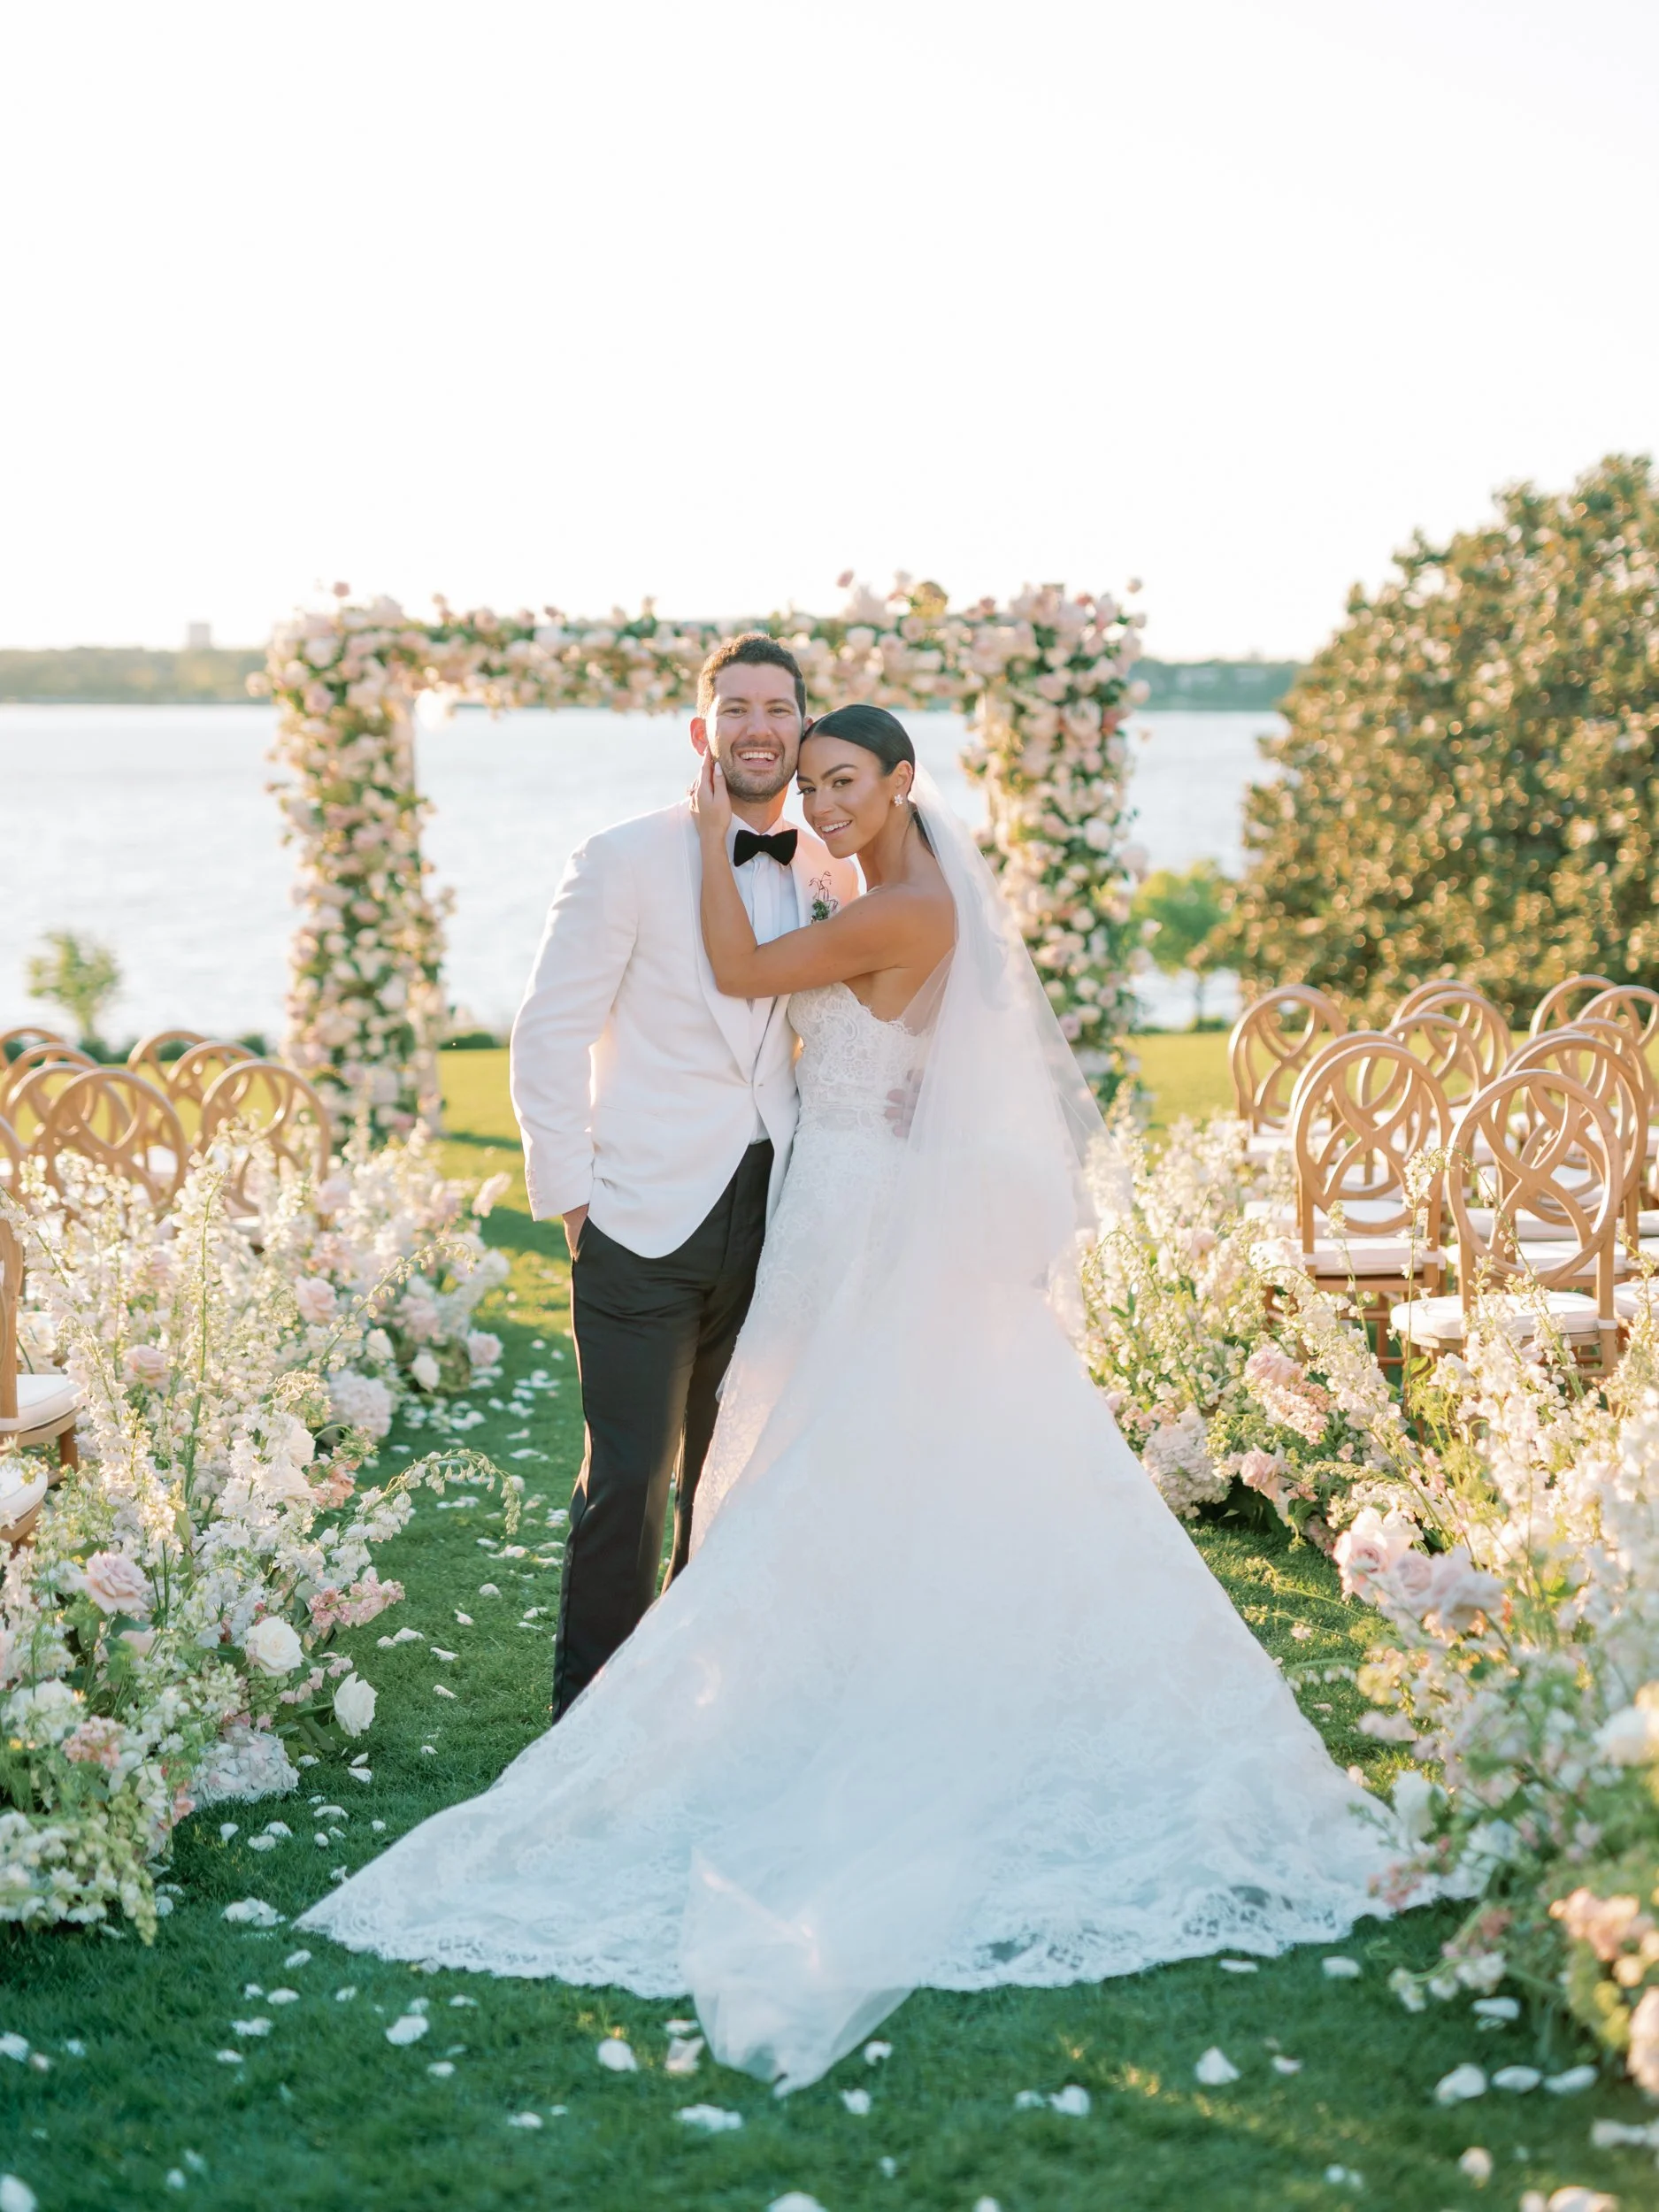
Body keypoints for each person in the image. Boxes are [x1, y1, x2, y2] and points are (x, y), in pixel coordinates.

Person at [301, 708, 1399, 2093]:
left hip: (854, 1216)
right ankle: (787, 1672)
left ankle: (809, 1690)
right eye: (805, 783)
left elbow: (740, 964)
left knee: (822, 1447)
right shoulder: (890, 888)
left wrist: (711, 835)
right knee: (825, 1452)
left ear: (900, 782)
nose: (816, 802)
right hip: (827, 1190)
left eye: (840, 781)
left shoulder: (904, 903)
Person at [506, 634, 857, 1717]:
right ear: (703, 731)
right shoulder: (621, 858)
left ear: (802, 732)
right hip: (638, 1216)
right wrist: (575, 1202)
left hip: (772, 1213)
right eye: (737, 708)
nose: (759, 726)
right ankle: (585, 1718)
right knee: (629, 1480)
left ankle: (693, 1710)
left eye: (780, 709)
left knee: (732, 1472)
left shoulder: (827, 868)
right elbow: (546, 1033)